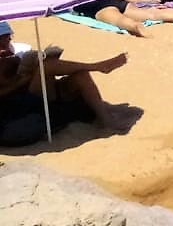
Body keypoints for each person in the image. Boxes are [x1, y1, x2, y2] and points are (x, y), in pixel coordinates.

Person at [0, 20, 135, 144]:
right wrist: (22, 81)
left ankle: (106, 119)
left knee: (80, 76)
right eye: (2, 38)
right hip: (17, 102)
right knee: (46, 66)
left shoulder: (18, 49)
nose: (6, 41)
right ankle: (98, 66)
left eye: (8, 36)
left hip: (38, 89)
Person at [70, 0, 173, 36]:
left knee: (119, 20)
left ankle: (135, 26)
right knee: (150, 14)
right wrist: (144, 1)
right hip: (115, 0)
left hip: (98, 8)